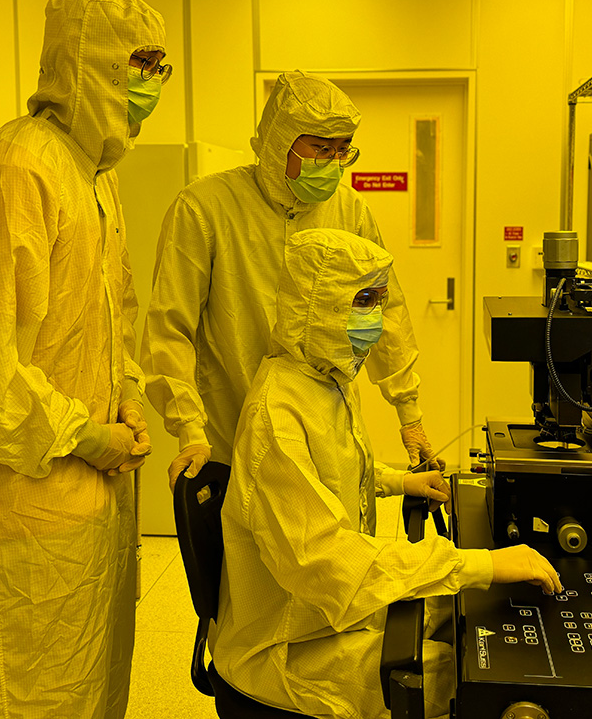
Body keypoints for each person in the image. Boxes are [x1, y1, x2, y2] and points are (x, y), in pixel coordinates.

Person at [0, 0, 168, 717]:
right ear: (87, 64)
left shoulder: (96, 178)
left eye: (161, 68)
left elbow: (109, 318)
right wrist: (88, 435)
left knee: (90, 689)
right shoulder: (15, 170)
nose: (151, 85)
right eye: (139, 64)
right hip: (16, 513)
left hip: (89, 510)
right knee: (22, 698)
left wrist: (125, 395)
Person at [214, 228, 562, 719]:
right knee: (465, 669)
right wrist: (480, 564)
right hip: (287, 646)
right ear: (315, 304)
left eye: (378, 300)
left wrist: (400, 480)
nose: (373, 319)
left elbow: (330, 471)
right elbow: (327, 562)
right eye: (360, 301)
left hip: (325, 615)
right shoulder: (277, 411)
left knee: (460, 616)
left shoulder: (322, 379)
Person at [140, 70, 440, 492]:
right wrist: (189, 427)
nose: (333, 163)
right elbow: (169, 328)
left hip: (323, 431)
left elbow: (386, 312)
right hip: (230, 434)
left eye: (342, 150)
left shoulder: (350, 210)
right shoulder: (206, 208)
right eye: (320, 148)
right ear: (280, 140)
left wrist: (410, 416)